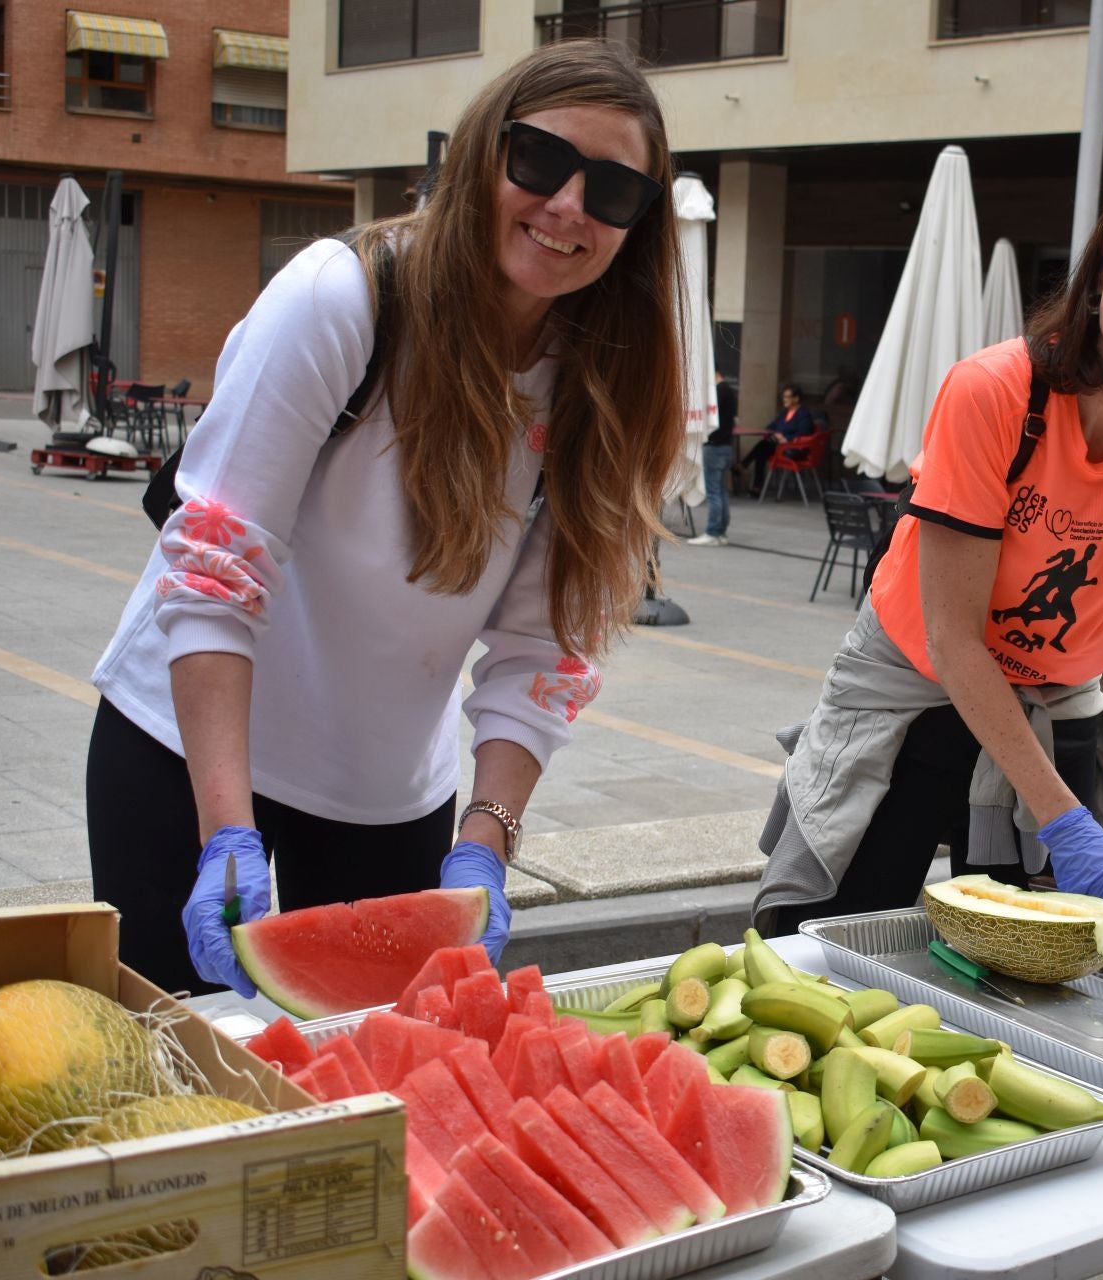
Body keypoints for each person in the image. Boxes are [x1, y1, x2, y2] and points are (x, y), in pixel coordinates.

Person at [84, 41, 684, 997]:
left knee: (370, 1063)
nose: (569, 205)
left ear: (639, 224)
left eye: (614, 190)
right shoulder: (343, 297)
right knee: (175, 1060)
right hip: (185, 753)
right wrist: (227, 832)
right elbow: (214, 571)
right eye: (539, 160)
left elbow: (544, 649)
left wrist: (486, 840)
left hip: (386, 793)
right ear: (484, 151)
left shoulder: (604, 383)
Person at [754, 167, 1103, 935]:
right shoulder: (994, 392)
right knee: (831, 939)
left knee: (1054, 959)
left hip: (1054, 690)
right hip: (915, 674)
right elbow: (954, 639)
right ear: (1099, 274)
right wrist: (1064, 820)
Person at [689, 369, 737, 547]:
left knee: (714, 492)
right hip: (726, 446)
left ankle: (713, 531)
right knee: (721, 491)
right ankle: (721, 531)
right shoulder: (729, 390)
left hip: (714, 447)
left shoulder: (717, 392)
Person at [744, 384, 818, 498]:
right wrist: (775, 434)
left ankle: (746, 471)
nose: (784, 399)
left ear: (796, 398)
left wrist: (786, 438)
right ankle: (755, 485)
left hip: (794, 449)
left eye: (787, 397)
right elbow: (770, 427)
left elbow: (804, 433)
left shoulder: (803, 414)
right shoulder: (785, 413)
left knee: (762, 449)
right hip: (779, 447)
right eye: (783, 397)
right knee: (762, 450)